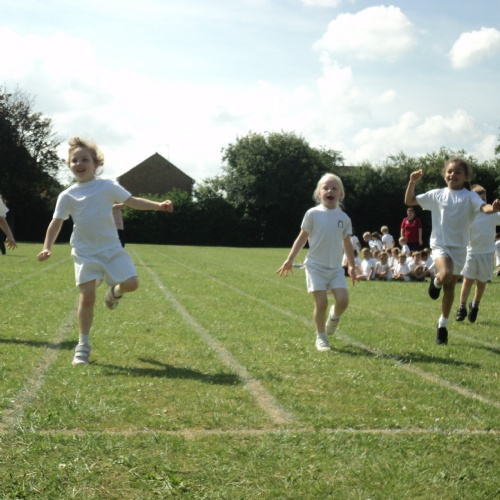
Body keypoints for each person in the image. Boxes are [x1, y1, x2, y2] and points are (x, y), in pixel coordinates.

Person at [37, 137, 174, 365]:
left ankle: (114, 293)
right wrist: (46, 247)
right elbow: (56, 222)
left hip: (111, 249)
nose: (79, 163)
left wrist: (158, 206)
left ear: (96, 164)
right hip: (84, 252)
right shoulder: (67, 195)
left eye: (85, 159)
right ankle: (82, 346)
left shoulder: (107, 186)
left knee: (132, 284)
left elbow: (132, 201)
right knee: (87, 296)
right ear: (69, 164)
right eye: (74, 160)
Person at [405, 158, 500, 345]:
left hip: (461, 249)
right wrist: (412, 182)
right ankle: (436, 281)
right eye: (449, 171)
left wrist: (493, 208)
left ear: (465, 177)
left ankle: (442, 325)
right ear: (444, 175)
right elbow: (409, 200)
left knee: (450, 288)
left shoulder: (470, 197)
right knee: (446, 274)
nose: (452, 175)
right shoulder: (437, 194)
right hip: (440, 245)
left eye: (457, 172)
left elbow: (485, 207)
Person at [276, 173, 356, 352]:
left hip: (335, 268)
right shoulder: (312, 214)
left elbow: (347, 243)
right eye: (325, 188)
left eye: (334, 188)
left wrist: (351, 265)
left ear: (341, 194)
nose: (329, 191)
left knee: (343, 301)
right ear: (319, 193)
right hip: (315, 267)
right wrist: (290, 259)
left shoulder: (344, 218)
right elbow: (302, 237)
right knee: (321, 303)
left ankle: (333, 318)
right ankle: (321, 338)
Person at [455, 185, 500, 323]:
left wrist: (497, 208)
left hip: (487, 253)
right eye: (479, 199)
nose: (482, 202)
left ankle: (475, 305)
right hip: (471, 252)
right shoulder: (467, 215)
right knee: (468, 280)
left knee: (481, 282)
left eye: (484, 199)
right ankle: (461, 306)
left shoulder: (493, 214)